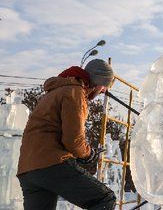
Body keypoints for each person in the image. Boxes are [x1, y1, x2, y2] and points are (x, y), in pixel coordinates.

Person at [16, 59, 117, 210]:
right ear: (97, 81)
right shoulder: (74, 92)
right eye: (104, 87)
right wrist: (89, 154)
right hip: (51, 163)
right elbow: (73, 140)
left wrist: (80, 154)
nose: (103, 91)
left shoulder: (55, 92)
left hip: (28, 169)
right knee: (104, 199)